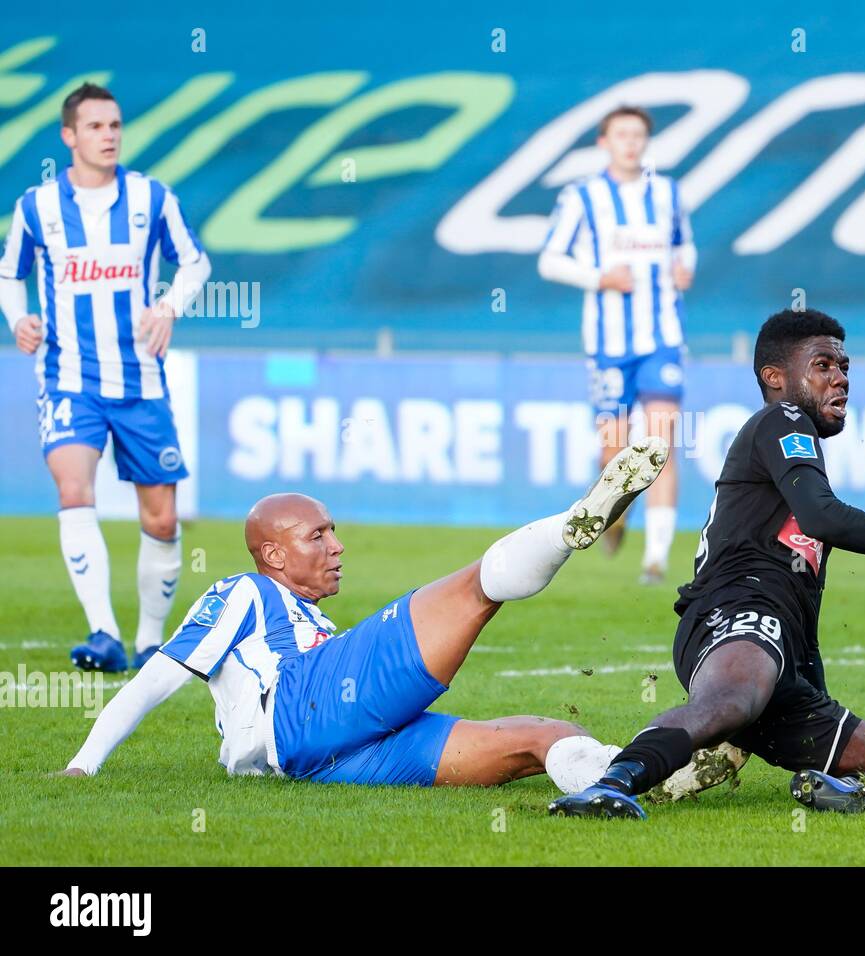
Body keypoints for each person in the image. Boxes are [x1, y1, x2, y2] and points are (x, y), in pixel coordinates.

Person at [550, 309, 865, 820]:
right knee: (733, 701)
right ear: (776, 378)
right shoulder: (782, 420)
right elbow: (822, 515)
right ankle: (608, 785)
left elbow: (802, 590)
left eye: (845, 367)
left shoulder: (797, 447)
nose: (841, 378)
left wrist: (816, 691)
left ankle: (842, 794)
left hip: (782, 655)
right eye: (824, 365)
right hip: (734, 614)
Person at [62, 441, 669, 792]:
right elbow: (152, 681)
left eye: (333, 532)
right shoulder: (244, 591)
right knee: (473, 592)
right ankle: (572, 525)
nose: (336, 546)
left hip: (337, 756)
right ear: (273, 554)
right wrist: (83, 764)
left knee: (540, 737)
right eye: (317, 536)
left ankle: (625, 783)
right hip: (300, 711)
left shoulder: (313, 622)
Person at [0, 82, 211, 673]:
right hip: (68, 376)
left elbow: (195, 261)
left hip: (141, 380)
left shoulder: (151, 197)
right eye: (95, 127)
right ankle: (104, 634)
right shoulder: (36, 207)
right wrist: (19, 319)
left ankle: (149, 641)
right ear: (70, 136)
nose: (110, 135)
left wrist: (169, 305)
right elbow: (8, 274)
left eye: (115, 125)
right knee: (74, 490)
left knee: (162, 518)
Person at [538, 105, 695, 585]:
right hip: (608, 344)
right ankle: (617, 511)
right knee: (614, 449)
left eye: (638, 134)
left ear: (646, 142)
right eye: (621, 134)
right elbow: (549, 260)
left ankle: (656, 559)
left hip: (662, 339)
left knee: (662, 444)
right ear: (604, 142)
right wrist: (599, 277)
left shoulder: (667, 192)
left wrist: (686, 267)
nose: (630, 142)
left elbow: (684, 244)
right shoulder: (582, 197)